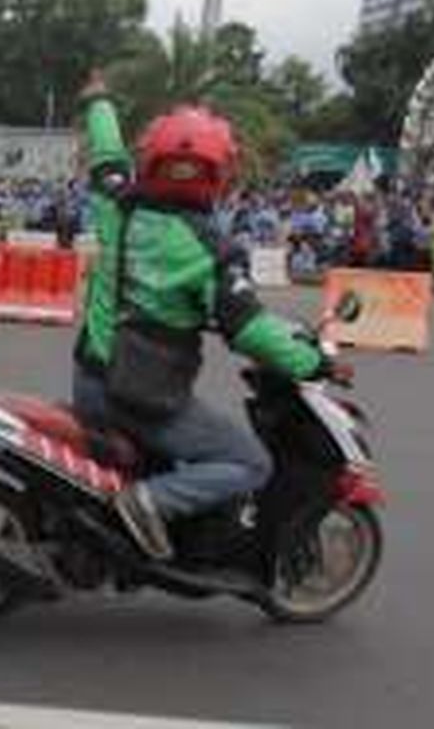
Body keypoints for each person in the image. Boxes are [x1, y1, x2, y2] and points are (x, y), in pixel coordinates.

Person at [70, 72, 345, 577]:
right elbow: (248, 329)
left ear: (149, 158)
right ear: (218, 175)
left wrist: (101, 100)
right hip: (141, 398)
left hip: (90, 382)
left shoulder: (118, 205)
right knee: (250, 463)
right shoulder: (212, 251)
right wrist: (313, 360)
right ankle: (147, 503)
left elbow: (107, 153)